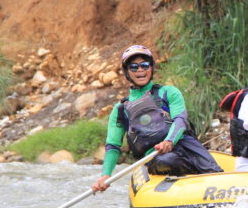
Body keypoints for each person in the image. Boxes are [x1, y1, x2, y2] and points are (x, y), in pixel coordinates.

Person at [91, 45, 220, 193]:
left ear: (151, 68)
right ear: (127, 72)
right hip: (156, 157)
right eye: (134, 67)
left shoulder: (168, 92)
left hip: (185, 147)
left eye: (145, 65)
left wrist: (169, 141)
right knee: (167, 160)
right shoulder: (120, 110)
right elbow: (113, 145)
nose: (140, 70)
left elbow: (180, 119)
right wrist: (105, 175)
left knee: (213, 170)